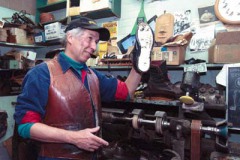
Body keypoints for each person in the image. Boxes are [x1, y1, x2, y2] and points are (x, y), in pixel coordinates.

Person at [14, 16, 154, 160]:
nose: (94, 47)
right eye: (90, 38)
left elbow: (126, 92)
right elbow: (25, 127)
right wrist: (73, 138)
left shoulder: (93, 76)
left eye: (96, 42)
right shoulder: (41, 74)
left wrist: (139, 65)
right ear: (70, 38)